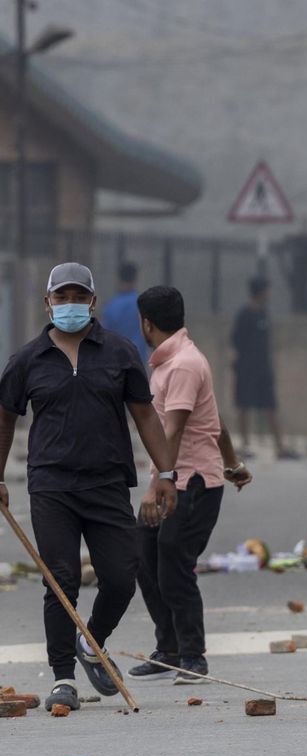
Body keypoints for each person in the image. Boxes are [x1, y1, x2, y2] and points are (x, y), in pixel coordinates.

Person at [0, 263, 178, 712]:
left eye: (78, 296)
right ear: (48, 304)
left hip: (107, 483)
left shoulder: (119, 353)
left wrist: (167, 475)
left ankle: (90, 639)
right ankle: (63, 678)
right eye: (62, 297)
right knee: (60, 580)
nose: (70, 304)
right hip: (52, 486)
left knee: (121, 576)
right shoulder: (27, 360)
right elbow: (5, 419)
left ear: (92, 302)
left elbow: (144, 416)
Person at [129, 286, 252, 684]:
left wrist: (158, 483)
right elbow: (215, 424)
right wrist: (234, 465)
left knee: (173, 562)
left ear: (146, 322)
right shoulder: (170, 363)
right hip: (175, 479)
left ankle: (193, 656)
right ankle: (168, 649)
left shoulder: (183, 364)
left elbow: (175, 428)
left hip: (192, 483)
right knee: (144, 556)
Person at [231, 277, 297, 459]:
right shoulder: (245, 314)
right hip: (246, 369)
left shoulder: (264, 313)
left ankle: (281, 448)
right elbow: (236, 340)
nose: (270, 294)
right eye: (267, 290)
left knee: (270, 406)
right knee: (244, 406)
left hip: (263, 369)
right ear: (260, 292)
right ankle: (244, 446)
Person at [101, 261, 150, 364]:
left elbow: (104, 338)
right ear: (135, 279)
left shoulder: (111, 307)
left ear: (118, 279)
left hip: (116, 363)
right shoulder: (143, 305)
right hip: (138, 362)